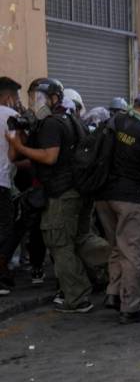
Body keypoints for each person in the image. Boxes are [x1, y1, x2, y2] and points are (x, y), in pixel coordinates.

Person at [7, 78, 106, 313]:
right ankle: (122, 264)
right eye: (32, 98)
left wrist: (20, 146)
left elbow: (48, 157)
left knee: (60, 244)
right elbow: (15, 157)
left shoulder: (52, 124)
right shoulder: (71, 120)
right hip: (79, 192)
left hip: (62, 193)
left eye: (38, 98)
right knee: (82, 239)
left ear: (53, 98)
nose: (34, 103)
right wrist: (18, 133)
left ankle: (77, 298)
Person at [94, 93, 140, 323]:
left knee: (116, 245)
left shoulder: (113, 122)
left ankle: (113, 295)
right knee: (133, 251)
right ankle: (131, 307)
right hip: (127, 198)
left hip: (102, 195)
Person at [0, 77, 21, 295]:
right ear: (8, 97)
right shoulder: (11, 117)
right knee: (6, 229)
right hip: (1, 181)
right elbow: (15, 153)